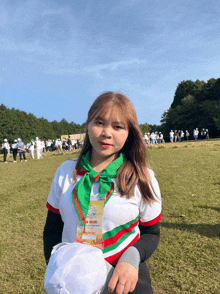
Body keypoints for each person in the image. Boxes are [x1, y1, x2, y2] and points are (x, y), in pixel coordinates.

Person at [43, 92, 162, 294]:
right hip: (75, 283)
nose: (106, 133)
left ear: (129, 133)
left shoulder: (143, 177)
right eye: (99, 122)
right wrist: (58, 268)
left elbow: (151, 233)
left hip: (124, 281)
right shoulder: (65, 172)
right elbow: (53, 229)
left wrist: (132, 257)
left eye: (117, 126)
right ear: (88, 125)